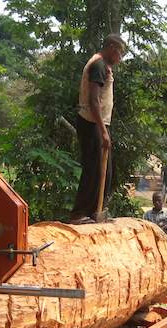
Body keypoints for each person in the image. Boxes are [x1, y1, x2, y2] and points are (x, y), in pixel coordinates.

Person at [68, 34, 126, 224]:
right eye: (119, 52)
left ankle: (95, 211)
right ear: (111, 47)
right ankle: (78, 214)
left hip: (98, 123)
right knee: (93, 169)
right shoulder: (99, 65)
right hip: (91, 123)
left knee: (105, 171)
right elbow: (93, 101)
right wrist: (103, 131)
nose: (120, 57)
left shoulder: (104, 66)